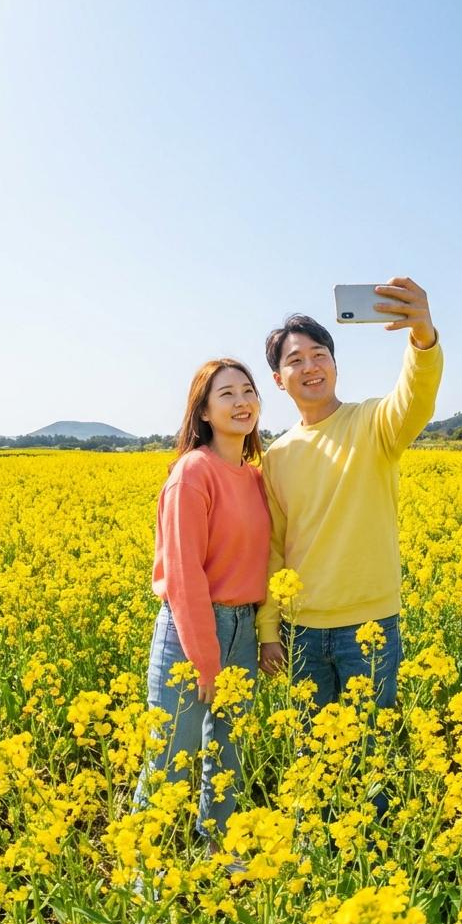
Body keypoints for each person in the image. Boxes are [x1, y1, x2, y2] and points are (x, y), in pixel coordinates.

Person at [256, 277, 442, 720]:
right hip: (301, 630)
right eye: (295, 360)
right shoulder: (276, 456)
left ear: (336, 366)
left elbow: (416, 398)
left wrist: (423, 336)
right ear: (279, 380)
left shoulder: (375, 423)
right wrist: (268, 630)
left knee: (373, 748)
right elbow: (274, 549)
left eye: (320, 355)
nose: (310, 367)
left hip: (370, 626)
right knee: (313, 754)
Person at [133, 358, 270, 854]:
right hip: (191, 628)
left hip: (243, 626)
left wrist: (264, 632)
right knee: (170, 757)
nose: (241, 402)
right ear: (205, 412)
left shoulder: (256, 478)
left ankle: (217, 851)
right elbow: (184, 574)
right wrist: (205, 657)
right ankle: (143, 873)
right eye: (226, 394)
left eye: (248, 391)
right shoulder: (192, 473)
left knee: (227, 753)